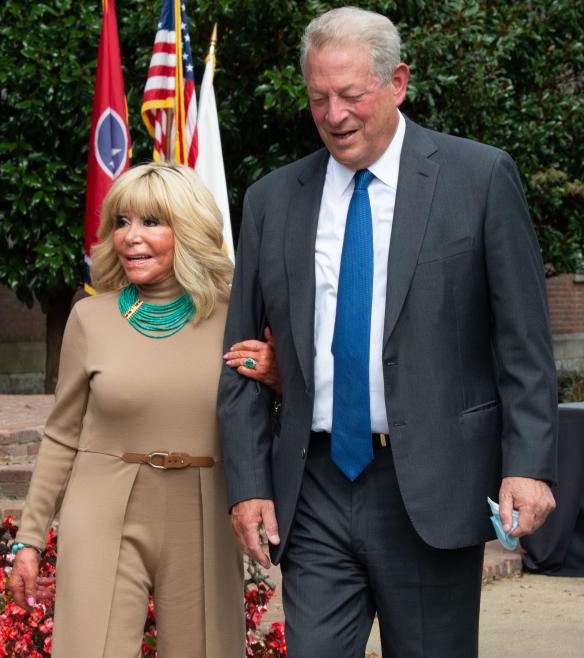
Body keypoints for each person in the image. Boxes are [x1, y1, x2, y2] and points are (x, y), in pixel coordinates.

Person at [217, 7, 558, 658]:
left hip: (431, 484)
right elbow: (239, 362)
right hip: (313, 486)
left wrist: (530, 466)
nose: (334, 114)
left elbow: (524, 344)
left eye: (352, 95)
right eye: (319, 97)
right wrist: (250, 483)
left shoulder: (478, 180)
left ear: (397, 82)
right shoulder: (272, 200)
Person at [8, 162, 270, 657]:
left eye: (151, 222)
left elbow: (267, 416)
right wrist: (30, 540)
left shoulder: (238, 317)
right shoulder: (89, 318)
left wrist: (276, 375)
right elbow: (62, 436)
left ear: (189, 230)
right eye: (122, 222)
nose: (131, 237)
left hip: (205, 508)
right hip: (102, 506)